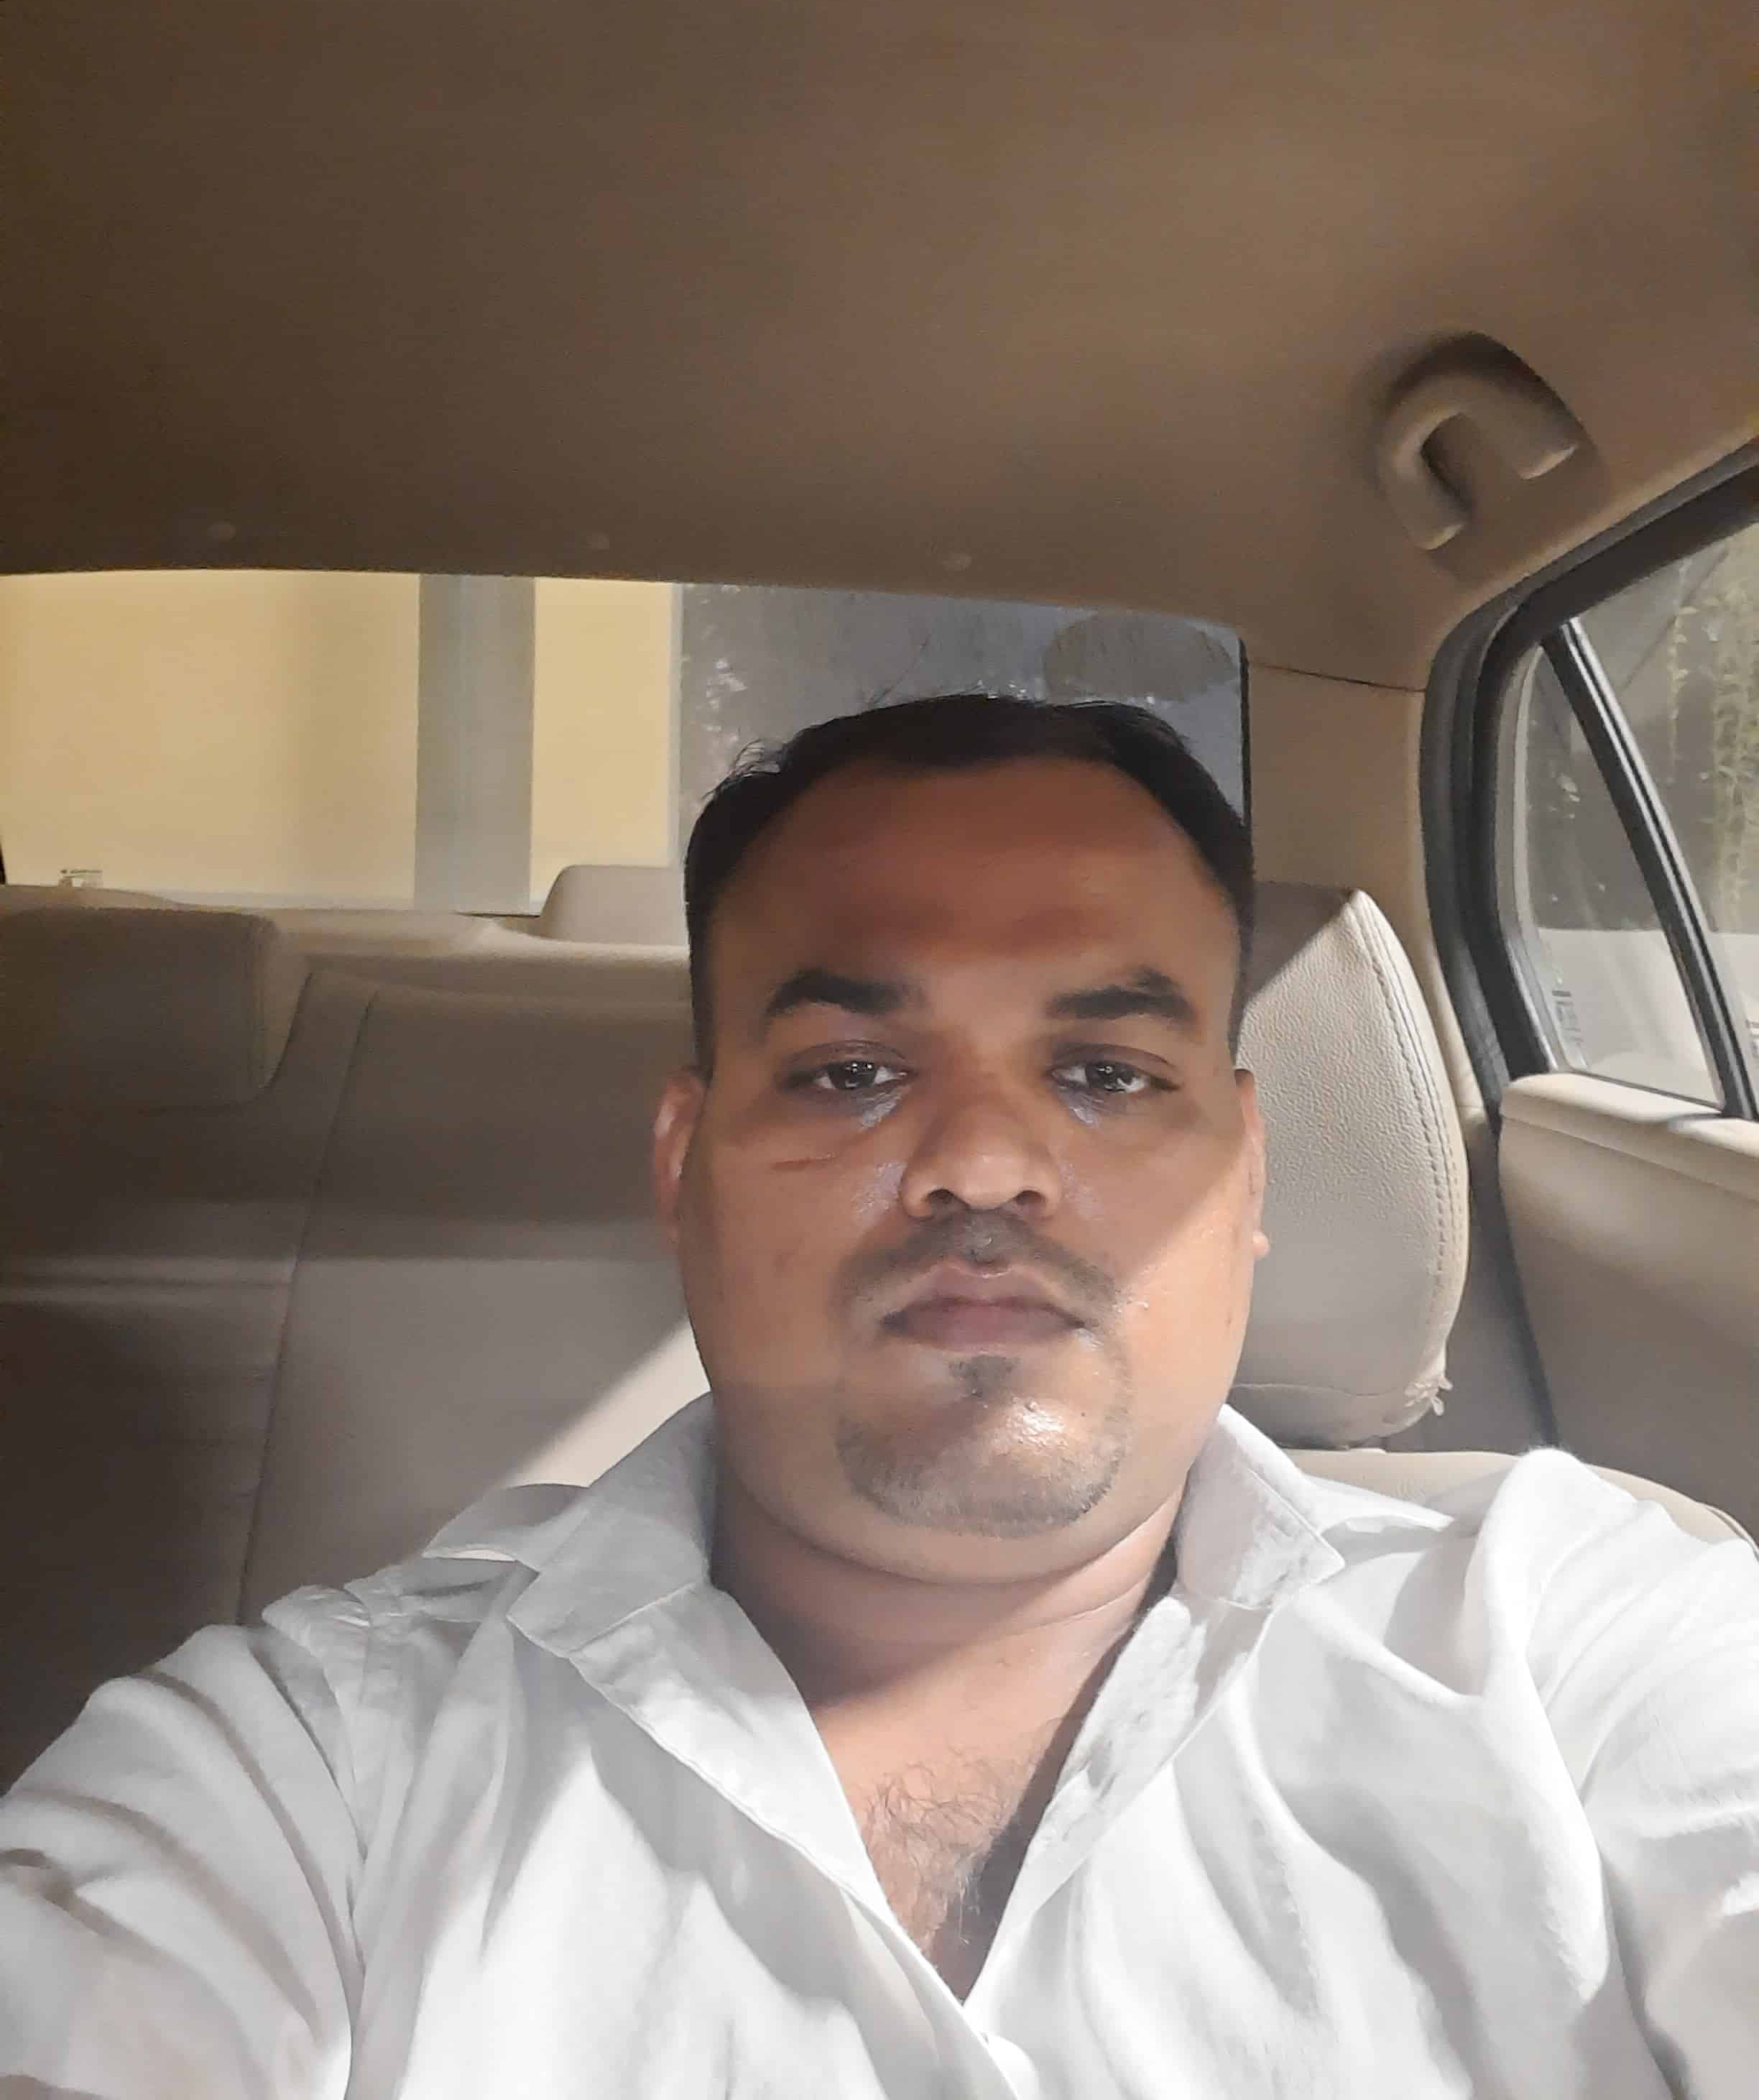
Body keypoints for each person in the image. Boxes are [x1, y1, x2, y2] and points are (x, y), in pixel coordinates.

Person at [1, 694, 1755, 2098]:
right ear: (683, 1164)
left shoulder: (1582, 1643)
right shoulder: (305, 1770)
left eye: (1105, 1070)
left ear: (1247, 1172)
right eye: (849, 1073)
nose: (983, 1160)